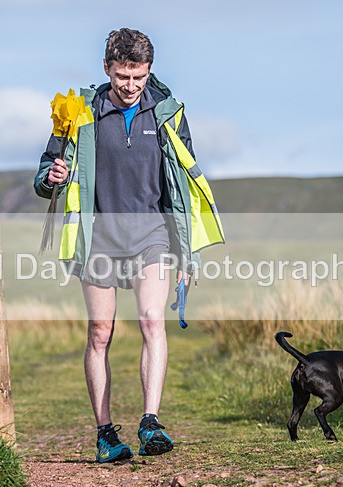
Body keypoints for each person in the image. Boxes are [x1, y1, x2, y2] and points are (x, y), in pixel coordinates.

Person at [34, 28, 224, 463]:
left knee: (152, 320)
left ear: (149, 71)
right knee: (100, 332)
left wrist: (186, 253)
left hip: (152, 234)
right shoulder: (77, 112)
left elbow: (183, 186)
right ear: (107, 68)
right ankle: (105, 434)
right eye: (123, 76)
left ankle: (150, 423)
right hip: (98, 235)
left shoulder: (168, 113)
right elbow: (44, 174)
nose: (131, 86)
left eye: (139, 77)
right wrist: (52, 177)